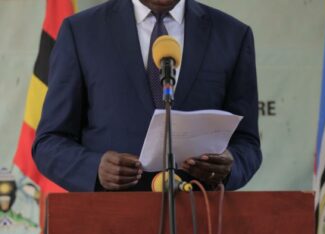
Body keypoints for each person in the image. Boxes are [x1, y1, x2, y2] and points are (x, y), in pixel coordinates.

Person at [32, 0, 262, 192]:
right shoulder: (81, 32)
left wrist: (228, 166)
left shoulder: (232, 36)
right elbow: (49, 142)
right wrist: (95, 168)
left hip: (198, 223)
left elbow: (247, 143)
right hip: (109, 222)